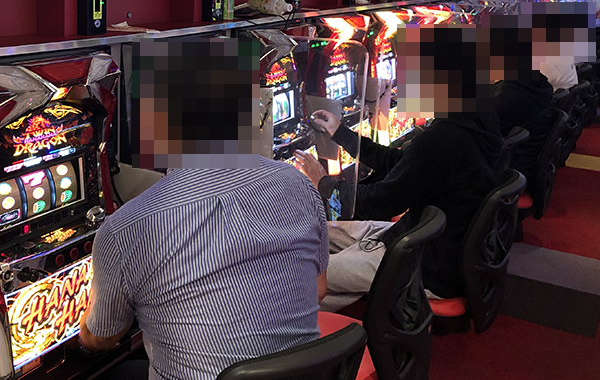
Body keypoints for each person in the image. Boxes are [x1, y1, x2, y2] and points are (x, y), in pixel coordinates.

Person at [296, 24, 505, 311]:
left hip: (425, 263)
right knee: (322, 231)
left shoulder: (442, 139)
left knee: (303, 277)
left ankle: (292, 324)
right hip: (430, 241)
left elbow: (382, 201)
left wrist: (323, 183)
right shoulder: (477, 121)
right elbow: (405, 165)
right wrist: (342, 135)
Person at [79, 157, 329, 380]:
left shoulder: (124, 228)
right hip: (301, 372)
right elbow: (318, 290)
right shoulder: (298, 181)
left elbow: (101, 338)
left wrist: (67, 331)